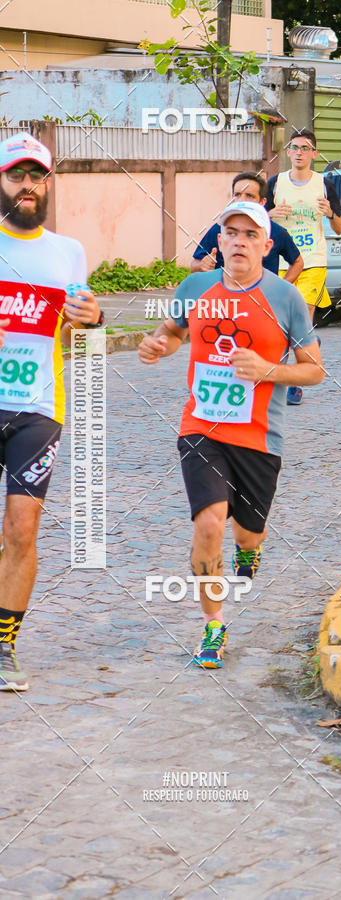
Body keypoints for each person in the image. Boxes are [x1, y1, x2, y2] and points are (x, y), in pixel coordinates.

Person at [138, 200, 323, 669]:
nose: (239, 241)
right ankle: (213, 624)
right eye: (231, 233)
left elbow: (314, 371)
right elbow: (172, 332)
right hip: (201, 427)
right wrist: (158, 344)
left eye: (249, 234)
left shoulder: (286, 298)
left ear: (266, 244)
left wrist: (267, 370)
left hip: (261, 438)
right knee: (208, 523)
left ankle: (249, 550)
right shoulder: (195, 287)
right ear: (219, 242)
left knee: (248, 534)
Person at [0, 132, 103, 692]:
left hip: (38, 408)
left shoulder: (69, 252)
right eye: (17, 175)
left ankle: (3, 644)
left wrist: (94, 319)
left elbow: (79, 327)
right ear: (1, 182)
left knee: (22, 528)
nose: (27, 186)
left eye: (36, 176)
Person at [266, 128, 341, 405]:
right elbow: (259, 219)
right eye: (295, 147)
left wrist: (331, 213)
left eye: (305, 147)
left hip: (312, 260)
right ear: (288, 152)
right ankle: (309, 342)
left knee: (302, 313)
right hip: (280, 262)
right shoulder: (275, 183)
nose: (299, 152)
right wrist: (270, 214)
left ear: (314, 153)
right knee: (278, 321)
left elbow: (340, 228)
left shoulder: (324, 185)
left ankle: (293, 384)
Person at [190, 171, 304, 284]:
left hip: (262, 300)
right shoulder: (220, 227)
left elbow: (298, 262)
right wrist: (202, 265)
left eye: (249, 196)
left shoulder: (277, 232)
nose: (242, 200)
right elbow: (194, 265)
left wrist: (280, 288)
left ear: (262, 201)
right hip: (227, 300)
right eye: (238, 195)